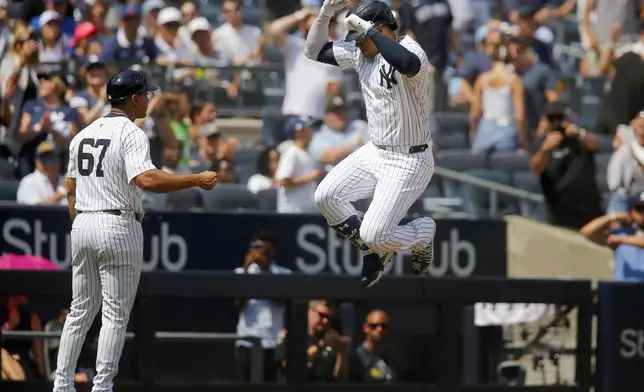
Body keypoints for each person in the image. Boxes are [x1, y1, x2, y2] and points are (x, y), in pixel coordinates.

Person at [53, 70, 218, 392]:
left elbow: (69, 186)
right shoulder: (131, 133)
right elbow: (148, 180)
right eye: (145, 94)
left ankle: (62, 385)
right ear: (134, 98)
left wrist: (79, 220)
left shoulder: (83, 133)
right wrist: (194, 179)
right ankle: (102, 387)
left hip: (84, 220)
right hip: (117, 221)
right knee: (114, 314)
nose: (149, 98)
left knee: (79, 312)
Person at [304, 0, 436, 288]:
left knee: (375, 233)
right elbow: (313, 50)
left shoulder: (411, 49)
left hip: (410, 159)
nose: (358, 42)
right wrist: (325, 14)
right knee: (326, 196)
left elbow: (407, 65)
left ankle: (421, 232)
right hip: (375, 151)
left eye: (361, 36)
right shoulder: (361, 54)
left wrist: (370, 32)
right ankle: (371, 252)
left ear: (379, 29)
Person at [529, 101, 602, 230]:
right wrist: (544, 150)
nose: (557, 123)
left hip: (588, 206)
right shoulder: (542, 143)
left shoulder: (579, 137)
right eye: (552, 119)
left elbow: (595, 144)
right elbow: (535, 168)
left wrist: (579, 133)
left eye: (560, 118)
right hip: (560, 210)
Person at [233, 231, 291, 382]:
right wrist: (247, 267)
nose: (260, 253)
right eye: (256, 248)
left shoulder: (283, 274)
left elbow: (280, 299)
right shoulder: (241, 273)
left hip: (273, 343)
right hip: (248, 341)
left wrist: (266, 272)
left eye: (265, 250)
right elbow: (239, 302)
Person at [580, 191, 644, 281]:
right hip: (623, 291)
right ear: (631, 211)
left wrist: (621, 240)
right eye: (639, 209)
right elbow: (587, 232)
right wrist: (614, 216)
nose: (642, 214)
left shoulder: (620, 238)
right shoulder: (621, 233)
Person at [349, 309, 399, 382]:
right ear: (365, 328)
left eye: (384, 326)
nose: (380, 330)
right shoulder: (355, 359)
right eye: (374, 326)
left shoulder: (392, 360)